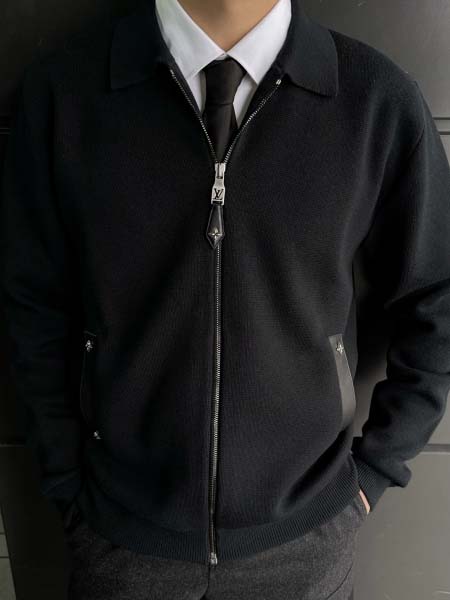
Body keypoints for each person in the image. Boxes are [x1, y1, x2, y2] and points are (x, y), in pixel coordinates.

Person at [1, 0, 449, 598]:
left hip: (306, 543)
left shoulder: (374, 102)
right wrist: (65, 480)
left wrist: (373, 473)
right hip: (120, 543)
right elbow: (29, 303)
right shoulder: (67, 94)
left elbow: (437, 299)